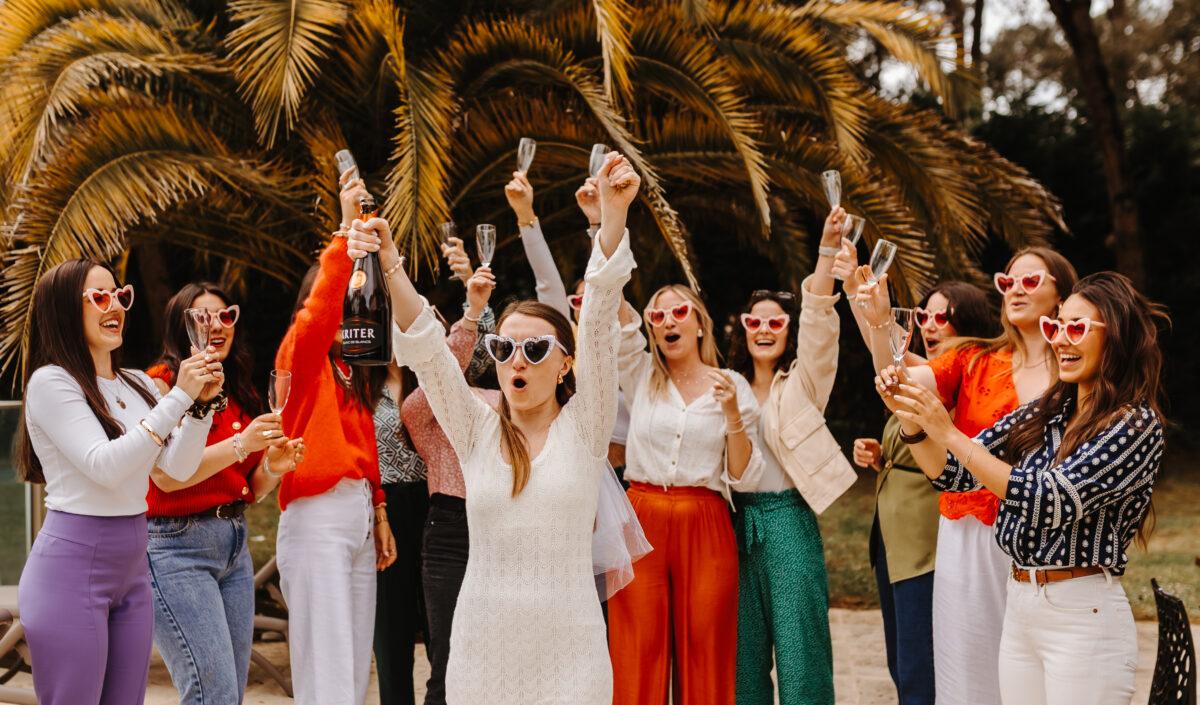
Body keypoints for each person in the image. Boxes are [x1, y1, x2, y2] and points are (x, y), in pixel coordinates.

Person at [349, 150, 640, 704]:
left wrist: (613, 215)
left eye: (536, 349)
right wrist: (388, 262)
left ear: (567, 365)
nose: (517, 361)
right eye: (504, 348)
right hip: (482, 651)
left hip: (571, 654)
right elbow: (429, 352)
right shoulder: (475, 429)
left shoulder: (586, 427)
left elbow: (600, 315)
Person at [880, 271, 1167, 705]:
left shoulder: (1136, 424)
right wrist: (912, 423)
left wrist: (949, 432)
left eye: (1076, 328)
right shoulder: (1048, 410)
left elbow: (1048, 498)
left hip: (1082, 616)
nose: (1061, 340)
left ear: (1117, 334)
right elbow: (954, 475)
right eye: (1055, 327)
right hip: (1020, 603)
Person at [852, 246, 1077, 705]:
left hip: (1049, 538)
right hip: (970, 530)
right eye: (1007, 281)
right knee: (967, 660)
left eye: (1031, 280)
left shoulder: (1076, 369)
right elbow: (899, 385)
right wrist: (877, 322)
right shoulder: (974, 359)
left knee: (1036, 673)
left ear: (1062, 294)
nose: (1016, 289)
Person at [15, 260, 220, 705]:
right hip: (71, 569)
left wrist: (200, 409)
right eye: (99, 296)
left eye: (120, 295)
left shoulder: (137, 383)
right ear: (64, 309)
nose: (115, 306)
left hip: (132, 568)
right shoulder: (51, 382)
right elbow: (105, 466)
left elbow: (177, 469)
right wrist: (179, 397)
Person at [145, 283, 303, 705]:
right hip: (176, 549)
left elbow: (248, 488)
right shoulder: (161, 386)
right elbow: (166, 479)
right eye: (202, 317)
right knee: (210, 692)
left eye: (225, 316)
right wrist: (242, 444)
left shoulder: (237, 389)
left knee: (230, 692)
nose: (216, 325)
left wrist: (274, 466)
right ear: (181, 327)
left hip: (234, 544)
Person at [273, 173, 397, 705]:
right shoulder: (298, 359)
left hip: (357, 514)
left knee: (351, 667)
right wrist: (345, 235)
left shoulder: (348, 371)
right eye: (339, 298)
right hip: (316, 514)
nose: (347, 309)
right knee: (326, 667)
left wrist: (380, 510)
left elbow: (365, 445)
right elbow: (318, 314)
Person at [608, 275, 763, 701]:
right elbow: (616, 305)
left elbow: (744, 475)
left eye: (679, 311)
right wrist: (604, 239)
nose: (668, 321)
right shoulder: (641, 374)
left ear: (699, 324)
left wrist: (732, 413)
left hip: (706, 517)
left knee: (706, 644)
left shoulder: (731, 384)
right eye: (657, 316)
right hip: (641, 516)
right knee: (637, 645)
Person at [724, 207, 855, 705]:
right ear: (742, 327)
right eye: (754, 321)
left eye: (775, 321)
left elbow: (820, 321)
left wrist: (826, 250)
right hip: (733, 523)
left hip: (789, 519)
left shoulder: (803, 383)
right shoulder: (725, 386)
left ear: (786, 329)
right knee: (742, 658)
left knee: (802, 652)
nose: (764, 329)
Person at [848, 277, 1000, 705]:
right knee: (902, 661)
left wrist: (874, 314)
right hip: (893, 539)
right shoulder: (931, 370)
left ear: (969, 324)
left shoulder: (964, 376)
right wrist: (882, 454)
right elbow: (887, 356)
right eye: (924, 316)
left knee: (921, 665)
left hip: (927, 542)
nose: (929, 325)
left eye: (942, 317)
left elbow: (888, 365)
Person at [404, 246, 499, 705]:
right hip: (450, 531)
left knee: (499, 657)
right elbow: (442, 375)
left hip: (503, 526)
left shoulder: (505, 401)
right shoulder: (421, 411)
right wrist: (472, 313)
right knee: (447, 660)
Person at [372, 357, 429, 705]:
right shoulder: (360, 384)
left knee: (442, 630)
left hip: (434, 502)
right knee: (392, 629)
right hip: (384, 507)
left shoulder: (431, 375)